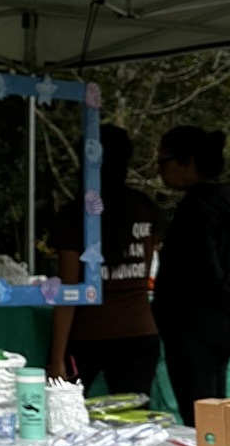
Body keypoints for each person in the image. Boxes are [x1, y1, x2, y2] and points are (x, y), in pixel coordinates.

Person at [151, 123, 230, 427]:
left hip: (192, 324)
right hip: (218, 324)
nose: (160, 171)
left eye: (163, 162)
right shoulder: (226, 202)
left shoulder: (197, 207)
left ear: (189, 162)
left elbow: (205, 268)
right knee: (213, 410)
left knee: (200, 416)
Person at [48, 124, 161, 398]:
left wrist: (56, 358)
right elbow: (144, 270)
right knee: (134, 426)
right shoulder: (144, 207)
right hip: (139, 333)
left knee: (65, 418)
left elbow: (69, 290)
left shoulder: (75, 214)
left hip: (89, 335)